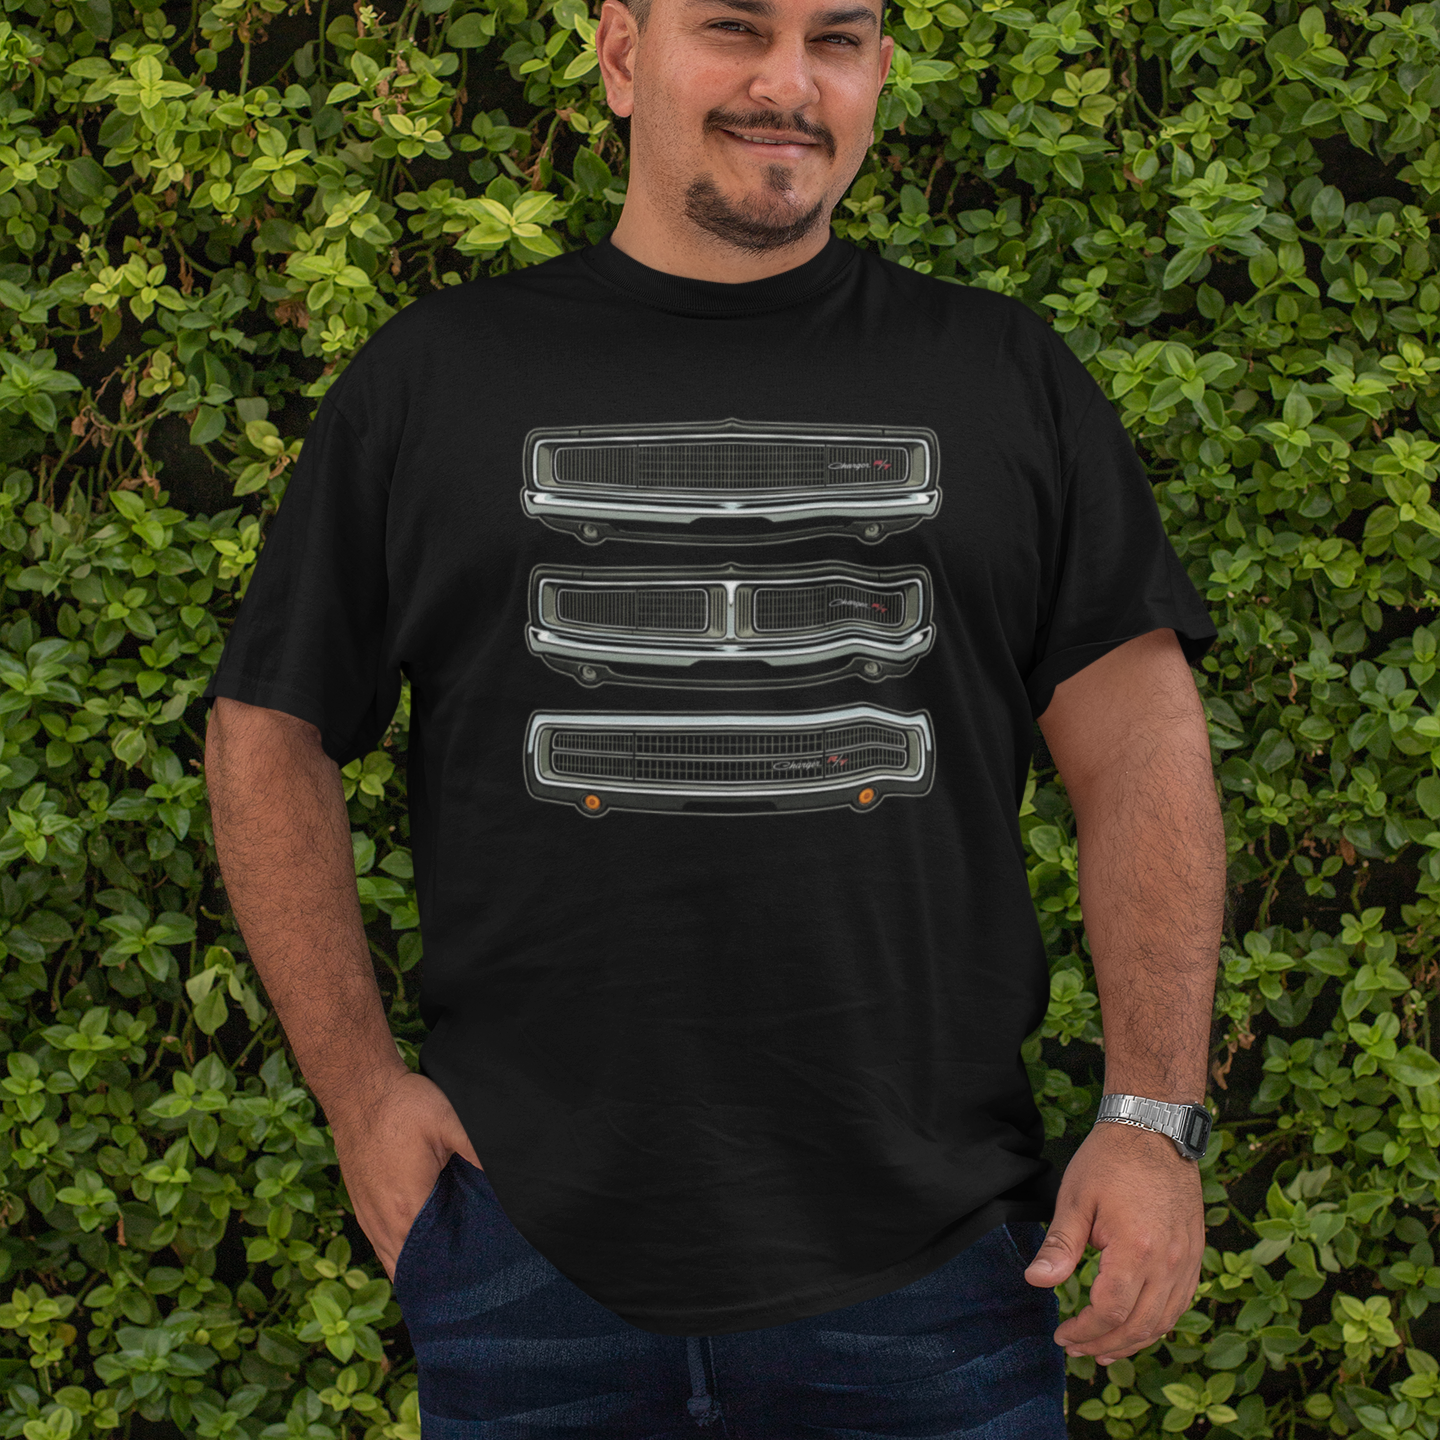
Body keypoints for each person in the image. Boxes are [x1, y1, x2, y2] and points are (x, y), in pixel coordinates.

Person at [201, 0, 1227, 1427]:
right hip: (527, 1255)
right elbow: (271, 729)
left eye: (840, 39)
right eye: (735, 27)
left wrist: (1151, 1119)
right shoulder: (432, 381)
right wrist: (359, 1091)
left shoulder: (1005, 378)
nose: (787, 83)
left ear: (879, 77)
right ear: (621, 59)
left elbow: (1142, 746)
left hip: (939, 1264)